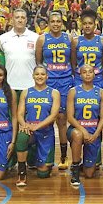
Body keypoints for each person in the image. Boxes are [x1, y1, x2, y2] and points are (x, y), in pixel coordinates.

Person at [35, 11, 74, 170]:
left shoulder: (69, 38)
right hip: (49, 83)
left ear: (62, 23)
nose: (56, 24)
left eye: (59, 21)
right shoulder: (42, 39)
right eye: (53, 21)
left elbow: (73, 61)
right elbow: (38, 62)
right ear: (48, 23)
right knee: (46, 118)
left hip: (65, 81)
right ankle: (44, 155)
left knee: (62, 120)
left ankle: (64, 156)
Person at [15, 66, 60, 186]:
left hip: (46, 132)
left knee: (43, 175)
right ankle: (22, 171)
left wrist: (37, 126)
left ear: (47, 76)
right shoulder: (26, 92)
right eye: (37, 74)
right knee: (22, 136)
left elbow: (53, 115)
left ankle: (35, 158)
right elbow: (19, 114)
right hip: (30, 131)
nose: (40, 76)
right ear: (33, 76)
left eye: (42, 74)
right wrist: (24, 125)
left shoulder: (54, 93)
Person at [67, 64, 103, 186]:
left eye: (90, 72)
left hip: (93, 131)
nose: (88, 74)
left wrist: (96, 134)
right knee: (78, 135)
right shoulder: (73, 91)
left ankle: (84, 164)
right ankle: (75, 168)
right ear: (80, 74)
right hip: (76, 129)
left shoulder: (100, 92)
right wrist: (83, 130)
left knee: (90, 174)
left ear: (95, 74)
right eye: (85, 72)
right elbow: (70, 117)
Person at [0, 8, 39, 95]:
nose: (20, 20)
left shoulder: (35, 37)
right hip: (9, 85)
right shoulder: (3, 38)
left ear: (26, 20)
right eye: (17, 17)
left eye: (22, 18)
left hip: (31, 85)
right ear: (12, 20)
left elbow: (39, 61)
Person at [71, 9, 103, 89]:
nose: (87, 26)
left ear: (95, 25)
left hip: (97, 79)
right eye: (85, 24)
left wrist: (99, 76)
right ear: (81, 25)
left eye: (90, 23)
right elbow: (73, 64)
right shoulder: (75, 41)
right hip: (79, 80)